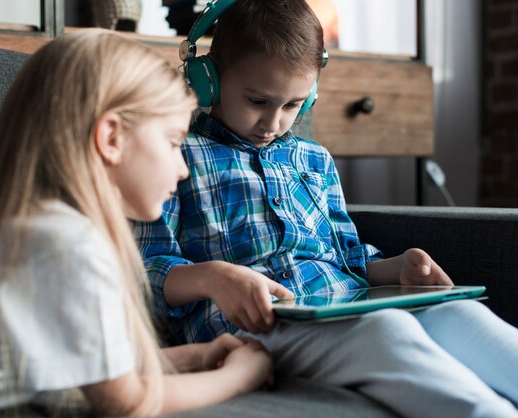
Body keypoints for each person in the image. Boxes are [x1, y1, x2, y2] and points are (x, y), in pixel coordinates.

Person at [133, 1, 518, 417]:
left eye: (292, 105)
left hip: (345, 302)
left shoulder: (315, 160)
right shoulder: (177, 155)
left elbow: (347, 257)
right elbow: (143, 272)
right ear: (209, 80)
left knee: (457, 312)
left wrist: (400, 269)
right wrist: (213, 277)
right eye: (258, 100)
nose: (274, 122)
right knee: (385, 329)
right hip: (257, 325)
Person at [0, 29, 274, 417]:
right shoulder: (73, 245)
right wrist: (241, 377)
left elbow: (101, 371)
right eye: (174, 142)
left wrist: (199, 356)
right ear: (111, 137)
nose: (181, 169)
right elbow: (125, 402)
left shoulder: (43, 231)